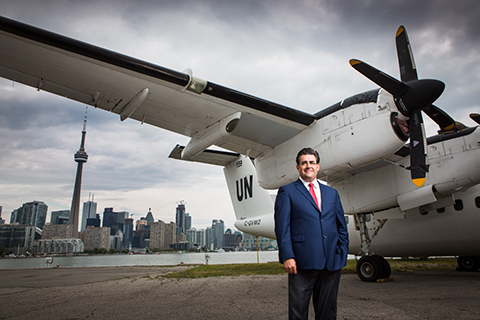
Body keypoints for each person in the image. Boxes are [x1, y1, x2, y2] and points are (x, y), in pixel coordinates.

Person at [274, 147, 349, 320]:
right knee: (298, 312)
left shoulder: (332, 193)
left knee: (328, 313)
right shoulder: (287, 191)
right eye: (304, 163)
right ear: (298, 167)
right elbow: (282, 227)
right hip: (301, 262)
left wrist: (342, 251)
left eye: (312, 162)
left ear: (318, 166)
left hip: (331, 262)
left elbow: (341, 226)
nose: (308, 166)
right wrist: (287, 256)